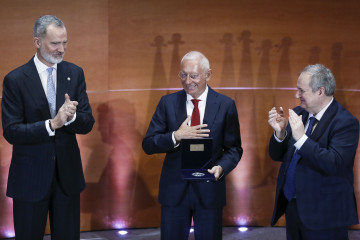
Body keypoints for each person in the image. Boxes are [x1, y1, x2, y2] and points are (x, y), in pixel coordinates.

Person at [1, 15, 95, 239]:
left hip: (67, 179)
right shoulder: (15, 80)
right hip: (29, 179)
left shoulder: (75, 73)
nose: (61, 49)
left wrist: (70, 118)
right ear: (37, 42)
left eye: (65, 42)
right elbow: (12, 131)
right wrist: (52, 124)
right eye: (55, 43)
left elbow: (87, 122)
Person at [142, 51, 242, 240]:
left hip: (209, 190)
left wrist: (221, 168)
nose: (188, 81)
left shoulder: (226, 105)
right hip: (174, 192)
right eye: (183, 75)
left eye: (194, 76)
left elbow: (234, 149)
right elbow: (148, 144)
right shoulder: (167, 103)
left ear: (208, 75)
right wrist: (176, 136)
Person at [268, 64, 359, 240]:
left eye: (301, 91)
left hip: (326, 214)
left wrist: (302, 139)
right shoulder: (298, 113)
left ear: (320, 91)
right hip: (294, 206)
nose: (297, 95)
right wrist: (280, 133)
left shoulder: (346, 122)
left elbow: (334, 163)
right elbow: (277, 155)